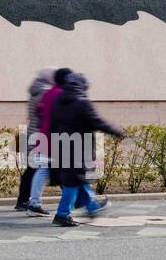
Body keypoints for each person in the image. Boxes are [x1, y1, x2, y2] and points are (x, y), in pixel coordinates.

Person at [48, 68, 124, 227]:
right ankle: (62, 214)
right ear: (82, 86)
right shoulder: (82, 102)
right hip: (78, 149)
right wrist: (117, 132)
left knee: (77, 179)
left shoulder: (58, 101)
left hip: (60, 146)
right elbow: (97, 122)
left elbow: (52, 125)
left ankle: (91, 205)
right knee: (72, 183)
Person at [14, 68, 56, 215]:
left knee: (34, 168)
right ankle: (26, 201)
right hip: (41, 134)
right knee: (46, 167)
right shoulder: (45, 92)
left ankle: (23, 200)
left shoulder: (35, 90)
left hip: (33, 132)